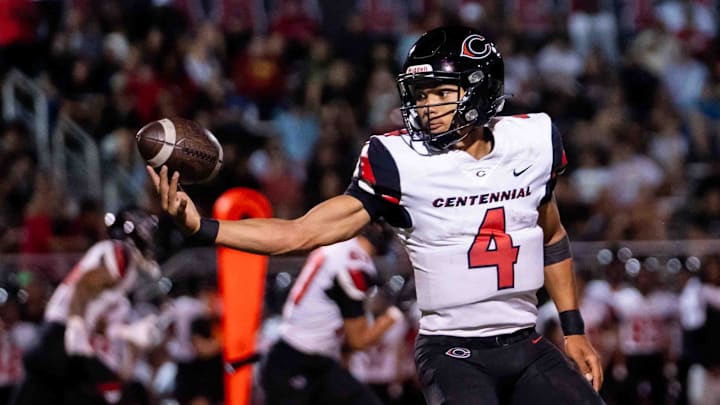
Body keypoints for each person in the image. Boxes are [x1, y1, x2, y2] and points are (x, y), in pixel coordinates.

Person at [148, 25, 605, 404]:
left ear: (480, 91)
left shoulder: (532, 141)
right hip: (452, 349)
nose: (427, 107)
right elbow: (301, 233)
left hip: (526, 340)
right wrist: (203, 228)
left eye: (442, 92)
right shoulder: (399, 160)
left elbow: (551, 236)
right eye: (422, 94)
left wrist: (573, 328)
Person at [11, 206, 163, 405]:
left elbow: (97, 318)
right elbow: (85, 283)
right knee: (110, 391)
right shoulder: (120, 253)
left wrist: (126, 332)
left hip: (57, 342)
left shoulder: (116, 255)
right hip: (59, 340)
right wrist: (75, 323)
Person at [258, 224, 404, 404]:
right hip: (296, 361)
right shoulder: (354, 264)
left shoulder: (337, 246)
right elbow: (358, 340)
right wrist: (395, 314)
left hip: (312, 360)